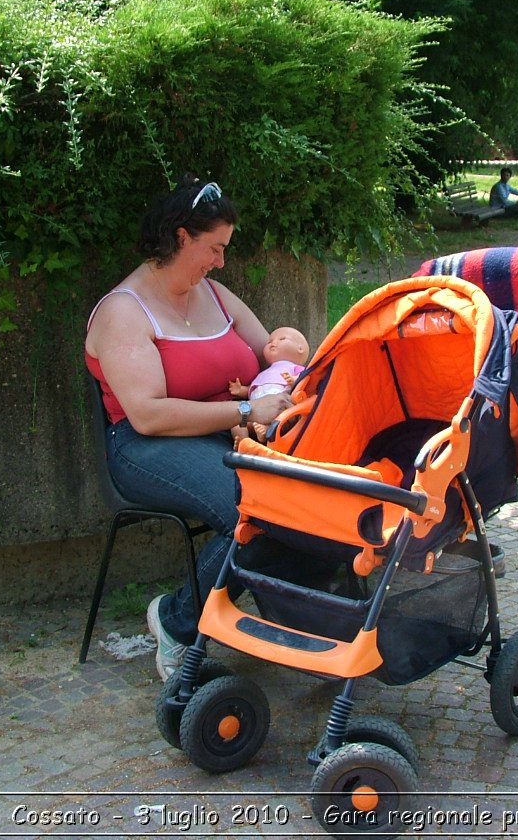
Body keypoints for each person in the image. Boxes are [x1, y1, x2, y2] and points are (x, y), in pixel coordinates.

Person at [84, 176, 332, 680]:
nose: (221, 261)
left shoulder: (215, 295)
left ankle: (313, 620)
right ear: (181, 237)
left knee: (318, 489)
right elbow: (148, 414)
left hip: (227, 435)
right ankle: (176, 622)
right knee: (255, 508)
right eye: (214, 248)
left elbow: (274, 363)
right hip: (146, 446)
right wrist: (244, 414)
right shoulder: (123, 312)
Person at [229, 326, 310, 441]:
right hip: (254, 410)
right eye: (270, 341)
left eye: (282, 339)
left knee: (283, 418)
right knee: (235, 422)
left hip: (279, 407)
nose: (273, 343)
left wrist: (295, 381)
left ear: (300, 348)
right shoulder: (264, 372)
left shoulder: (295, 368)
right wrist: (241, 390)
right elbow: (258, 388)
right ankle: (243, 441)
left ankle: (267, 430)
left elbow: (306, 381)